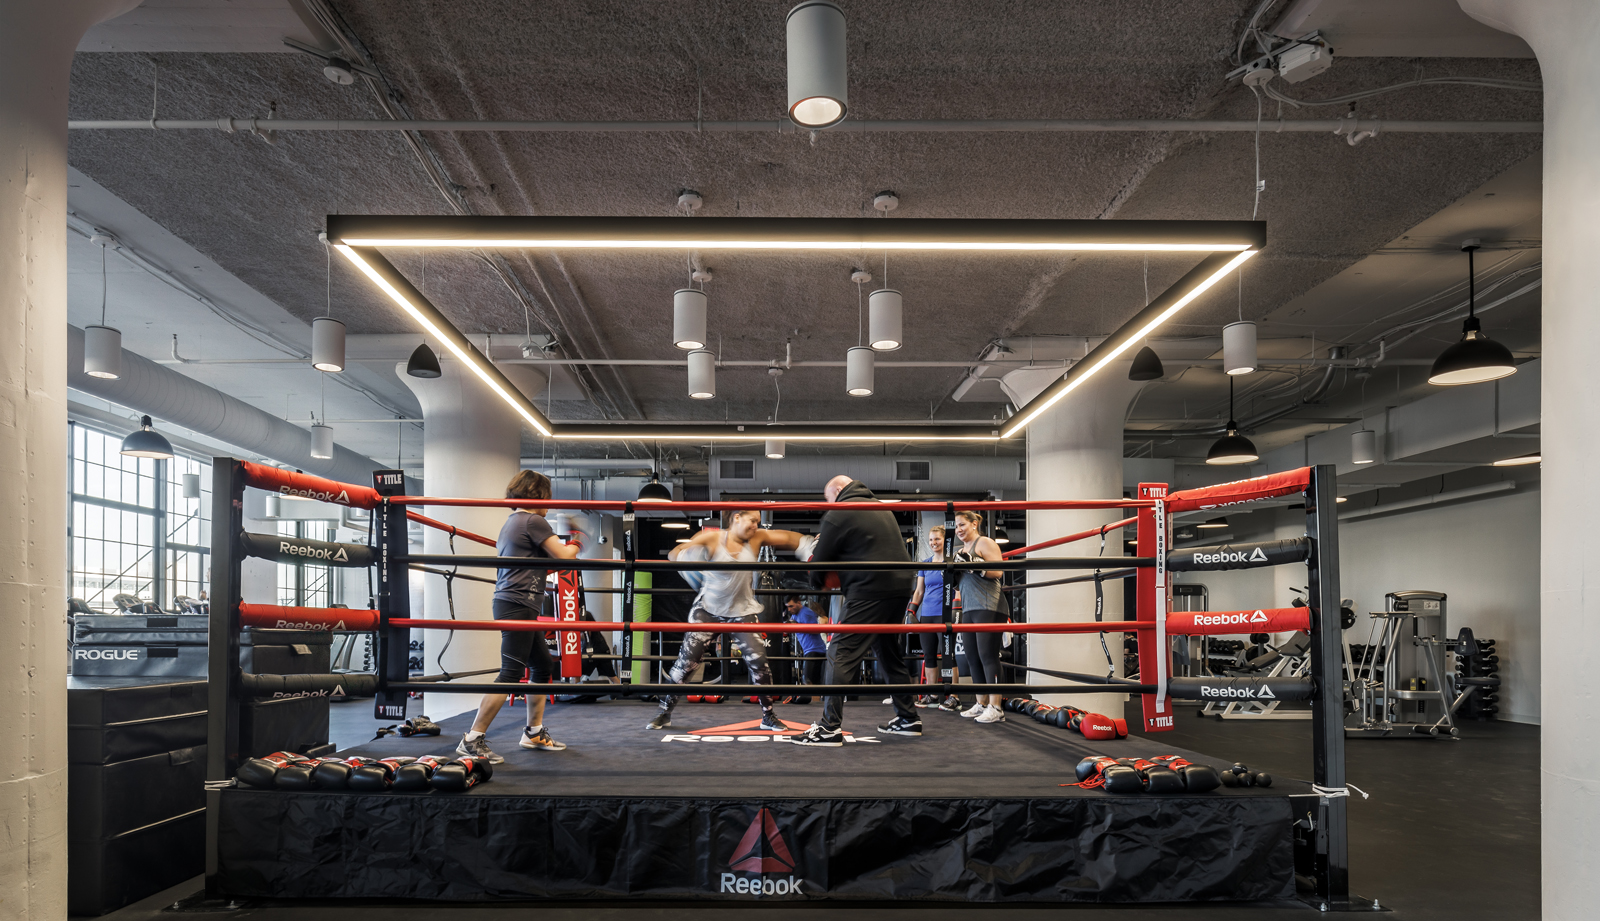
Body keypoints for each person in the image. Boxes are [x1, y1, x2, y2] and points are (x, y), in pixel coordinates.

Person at [645, 509, 812, 731]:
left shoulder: (756, 538)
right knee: (686, 665)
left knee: (760, 663)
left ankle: (768, 716)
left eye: (758, 522)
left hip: (741, 611)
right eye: (752, 521)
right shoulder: (712, 538)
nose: (755, 526)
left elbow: (789, 538)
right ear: (736, 517)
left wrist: (809, 544)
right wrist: (688, 559)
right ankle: (664, 712)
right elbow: (674, 553)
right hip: (708, 610)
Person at [457, 470, 581, 763]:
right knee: (511, 673)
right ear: (536, 495)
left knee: (541, 666)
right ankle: (472, 739)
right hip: (517, 603)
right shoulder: (532, 520)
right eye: (547, 496)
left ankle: (533, 732)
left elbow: (537, 567)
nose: (549, 503)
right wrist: (577, 540)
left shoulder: (513, 522)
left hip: (517, 602)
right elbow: (565, 558)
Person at [793, 476, 920, 746]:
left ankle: (829, 728)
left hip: (869, 589)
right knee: (888, 652)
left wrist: (813, 565)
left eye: (829, 499)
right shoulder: (881, 509)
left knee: (839, 651)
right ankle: (908, 718)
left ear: (838, 491)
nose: (829, 504)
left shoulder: (840, 511)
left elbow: (819, 567)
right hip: (899, 588)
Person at [952, 510, 1010, 724]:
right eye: (956, 526)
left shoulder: (984, 543)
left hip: (990, 606)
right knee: (972, 657)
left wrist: (975, 563)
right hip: (969, 608)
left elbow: (998, 571)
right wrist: (953, 572)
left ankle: (996, 707)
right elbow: (960, 583)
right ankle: (981, 703)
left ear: (974, 524)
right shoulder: (961, 550)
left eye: (962, 525)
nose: (958, 529)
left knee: (988, 656)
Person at [908, 525, 961, 710]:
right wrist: (911, 611)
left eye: (937, 539)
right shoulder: (925, 564)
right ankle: (931, 694)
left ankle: (954, 696)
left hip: (944, 614)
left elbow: (958, 588)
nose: (933, 543)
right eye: (931, 540)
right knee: (929, 655)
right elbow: (919, 591)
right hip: (927, 615)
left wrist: (957, 609)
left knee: (948, 655)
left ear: (944, 540)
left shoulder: (951, 563)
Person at [784, 595, 828, 694]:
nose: (789, 609)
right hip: (810, 650)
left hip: (815, 650)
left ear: (799, 603)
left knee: (808, 680)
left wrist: (798, 626)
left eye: (791, 606)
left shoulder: (806, 613)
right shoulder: (795, 613)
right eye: (787, 606)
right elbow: (791, 624)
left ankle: (815, 704)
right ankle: (816, 704)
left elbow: (817, 631)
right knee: (812, 681)